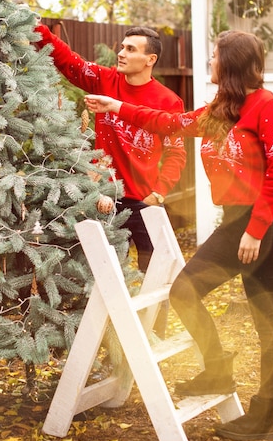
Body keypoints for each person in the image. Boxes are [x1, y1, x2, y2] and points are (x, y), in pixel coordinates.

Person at [85, 29, 273, 441]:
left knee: (267, 325)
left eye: (214, 56)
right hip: (236, 224)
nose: (209, 63)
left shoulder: (266, 107)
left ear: (230, 64)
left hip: (263, 228)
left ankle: (264, 415)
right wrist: (117, 105)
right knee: (185, 291)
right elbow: (168, 122)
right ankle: (218, 370)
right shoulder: (221, 110)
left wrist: (255, 231)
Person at [34, 22, 187, 274]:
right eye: (122, 47)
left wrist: (158, 193)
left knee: (156, 272)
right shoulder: (105, 80)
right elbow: (68, 60)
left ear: (150, 59)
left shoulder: (168, 101)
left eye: (130, 49)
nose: (122, 53)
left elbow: (176, 153)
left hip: (144, 200)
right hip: (104, 197)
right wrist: (36, 28)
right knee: (108, 273)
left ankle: (154, 316)